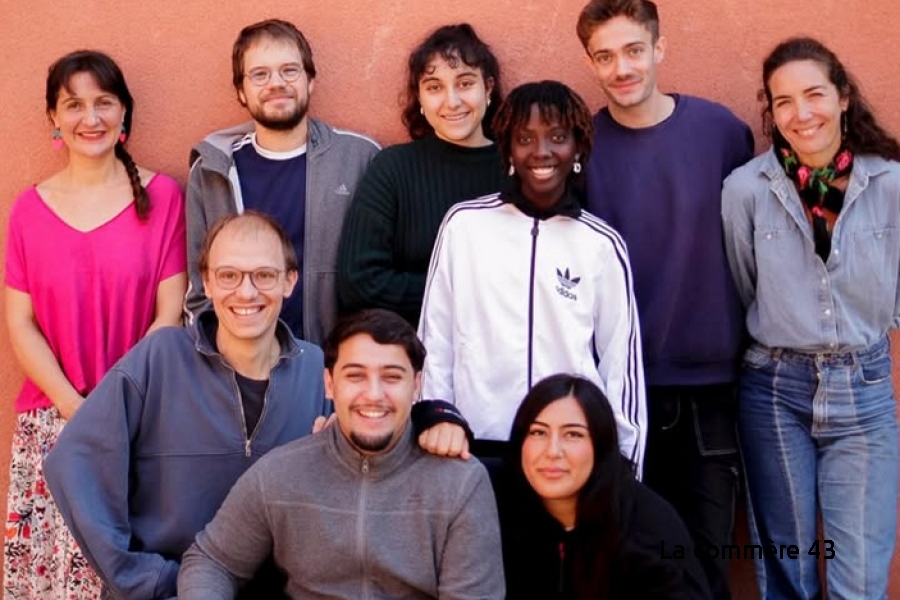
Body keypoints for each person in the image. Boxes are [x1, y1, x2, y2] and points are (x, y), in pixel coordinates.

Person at [43, 212, 327, 600]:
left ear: (289, 281)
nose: (246, 292)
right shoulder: (160, 358)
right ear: (206, 282)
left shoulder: (317, 372)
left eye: (264, 275)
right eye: (229, 276)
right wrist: (143, 577)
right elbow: (75, 461)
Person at [574, 0, 754, 598]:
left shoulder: (720, 132)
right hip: (623, 394)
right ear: (591, 63)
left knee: (706, 566)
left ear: (659, 49)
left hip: (710, 391)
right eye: (605, 56)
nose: (621, 68)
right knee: (636, 570)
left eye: (634, 50)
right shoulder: (582, 146)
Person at [3, 50, 186, 600]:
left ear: (124, 112)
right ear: (53, 118)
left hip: (138, 421)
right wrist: (75, 408)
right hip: (53, 426)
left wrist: (113, 407)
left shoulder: (163, 198)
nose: (91, 118)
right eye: (74, 105)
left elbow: (170, 313)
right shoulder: (28, 210)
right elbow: (21, 322)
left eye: (104, 102)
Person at [722, 37, 900, 600]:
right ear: (771, 112)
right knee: (787, 574)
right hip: (774, 391)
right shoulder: (746, 190)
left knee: (860, 578)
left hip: (864, 392)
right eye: (784, 101)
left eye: (815, 94)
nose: (802, 114)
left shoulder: (891, 185)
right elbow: (745, 287)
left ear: (843, 96)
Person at [177, 308, 504, 600]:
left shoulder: (459, 483)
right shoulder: (281, 473)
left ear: (416, 385)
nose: (373, 394)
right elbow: (211, 561)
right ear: (330, 384)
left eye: (391, 377)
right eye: (355, 376)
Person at [418, 80, 645, 475]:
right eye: (525, 138)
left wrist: (624, 465)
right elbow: (436, 338)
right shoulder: (464, 226)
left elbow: (620, 364)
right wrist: (437, 417)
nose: (541, 151)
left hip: (567, 452)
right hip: (475, 446)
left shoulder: (600, 244)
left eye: (557, 137)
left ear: (577, 149)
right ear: (508, 150)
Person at [185, 18, 380, 344]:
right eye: (260, 74)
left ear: (310, 80)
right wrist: (215, 363)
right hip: (241, 362)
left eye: (289, 71)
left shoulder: (359, 159)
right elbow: (198, 289)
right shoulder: (212, 171)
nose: (276, 83)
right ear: (241, 91)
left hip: (333, 361)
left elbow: (377, 277)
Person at [337, 23, 508, 327]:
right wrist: (467, 292)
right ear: (419, 97)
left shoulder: (517, 170)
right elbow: (359, 283)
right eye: (434, 87)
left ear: (489, 88)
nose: (452, 101)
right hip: (415, 349)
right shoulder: (393, 168)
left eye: (465, 83)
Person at [500, 374, 711, 600]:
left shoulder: (644, 525)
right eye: (538, 432)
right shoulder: (498, 506)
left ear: (601, 445)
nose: (552, 451)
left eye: (573, 434)